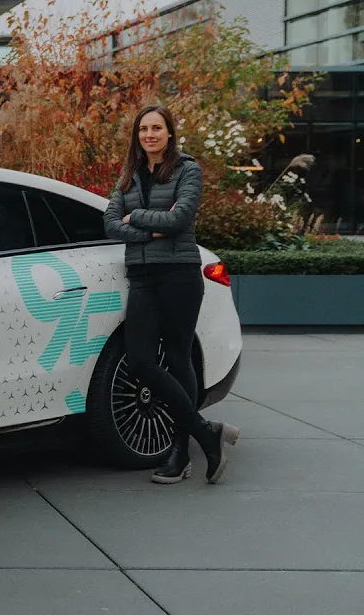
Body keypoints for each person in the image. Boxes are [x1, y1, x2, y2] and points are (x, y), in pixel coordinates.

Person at [103, 104, 239, 485]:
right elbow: (110, 223)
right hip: (142, 277)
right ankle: (206, 432)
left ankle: (179, 454)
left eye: (156, 128)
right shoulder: (129, 173)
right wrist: (153, 228)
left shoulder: (187, 169)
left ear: (169, 133)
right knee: (140, 360)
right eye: (143, 129)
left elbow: (181, 219)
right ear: (137, 135)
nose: (149, 135)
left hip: (179, 274)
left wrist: (136, 218)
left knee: (179, 359)